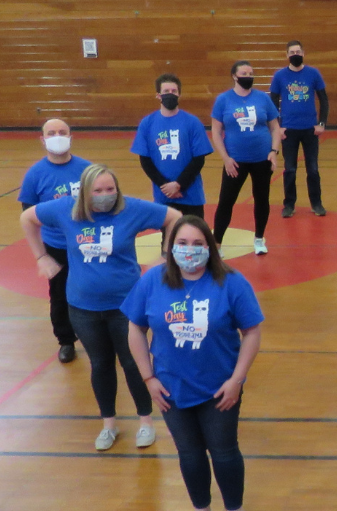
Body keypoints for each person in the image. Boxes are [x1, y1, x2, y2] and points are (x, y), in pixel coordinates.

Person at [20, 163, 182, 450]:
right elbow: (27, 218)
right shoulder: (64, 209)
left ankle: (146, 421)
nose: (105, 195)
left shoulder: (130, 209)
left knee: (133, 363)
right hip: (83, 307)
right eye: (98, 190)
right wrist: (40, 257)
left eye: (110, 189)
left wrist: (166, 255)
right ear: (85, 192)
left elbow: (174, 217)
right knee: (101, 364)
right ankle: (109, 424)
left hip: (126, 306)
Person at [124, 215, 263, 511]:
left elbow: (252, 331)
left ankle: (233, 507)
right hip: (170, 389)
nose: (190, 250)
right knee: (189, 454)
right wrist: (148, 378)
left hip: (220, 388)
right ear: (170, 247)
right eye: (182, 243)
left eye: (198, 244)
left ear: (210, 247)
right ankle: (202, 507)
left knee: (224, 452)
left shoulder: (231, 282)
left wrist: (237, 379)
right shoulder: (152, 280)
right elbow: (135, 327)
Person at [18, 119, 91, 363]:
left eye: (62, 132)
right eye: (51, 133)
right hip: (56, 246)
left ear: (71, 137)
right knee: (59, 295)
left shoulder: (88, 170)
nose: (57, 136)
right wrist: (42, 256)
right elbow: (29, 217)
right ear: (42, 139)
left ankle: (97, 338)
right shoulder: (35, 175)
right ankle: (66, 340)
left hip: (87, 244)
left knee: (92, 290)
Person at [211, 60, 281, 255]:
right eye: (244, 73)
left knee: (262, 199)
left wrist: (273, 152)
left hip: (262, 160)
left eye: (251, 73)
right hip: (235, 161)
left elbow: (275, 127)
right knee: (226, 201)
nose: (248, 76)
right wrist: (225, 158)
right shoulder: (223, 100)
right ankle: (217, 244)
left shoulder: (262, 98)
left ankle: (259, 238)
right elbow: (216, 132)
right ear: (234, 76)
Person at [131, 73, 214, 223]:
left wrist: (179, 185)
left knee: (195, 234)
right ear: (158, 95)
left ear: (179, 94)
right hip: (164, 194)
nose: (170, 95)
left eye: (174, 91)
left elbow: (199, 159)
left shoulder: (192, 122)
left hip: (191, 193)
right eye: (166, 91)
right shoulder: (147, 123)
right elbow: (145, 160)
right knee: (168, 238)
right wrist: (165, 186)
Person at [270, 40, 330, 218]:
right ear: (287, 55)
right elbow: (272, 102)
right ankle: (289, 205)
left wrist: (322, 123)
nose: (295, 54)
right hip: (289, 130)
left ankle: (316, 204)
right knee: (290, 169)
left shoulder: (313, 73)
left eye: (298, 51)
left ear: (303, 53)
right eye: (292, 52)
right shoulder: (280, 76)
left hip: (310, 130)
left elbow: (324, 99)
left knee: (312, 168)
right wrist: (278, 127)